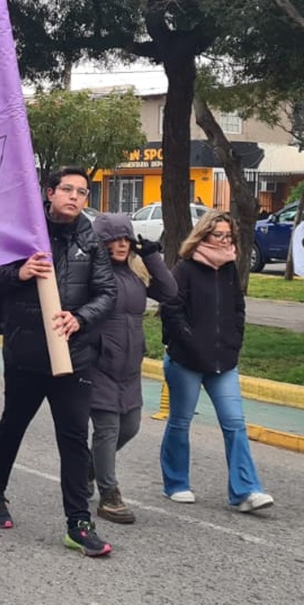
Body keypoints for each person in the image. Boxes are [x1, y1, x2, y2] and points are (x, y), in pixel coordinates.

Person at [0, 167, 116, 557]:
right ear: (49, 193)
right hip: (26, 353)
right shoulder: (23, 233)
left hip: (74, 356)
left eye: (82, 192)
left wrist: (80, 318)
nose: (74, 197)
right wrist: (19, 272)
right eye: (67, 189)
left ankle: (78, 524)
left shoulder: (91, 238)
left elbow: (107, 293)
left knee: (73, 439)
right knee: (12, 426)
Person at [157, 212, 276, 513]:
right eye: (218, 235)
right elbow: (171, 311)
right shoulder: (184, 269)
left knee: (234, 423)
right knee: (180, 422)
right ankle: (176, 483)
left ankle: (246, 490)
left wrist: (235, 339)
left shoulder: (230, 270)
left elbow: (238, 308)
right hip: (186, 361)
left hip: (224, 361)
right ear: (203, 236)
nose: (224, 241)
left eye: (228, 236)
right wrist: (190, 342)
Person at [86, 214, 177, 524]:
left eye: (126, 238)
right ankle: (109, 495)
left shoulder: (136, 272)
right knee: (107, 430)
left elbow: (168, 292)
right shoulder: (92, 273)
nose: (122, 244)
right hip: (98, 363)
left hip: (129, 365)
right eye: (114, 239)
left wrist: (152, 256)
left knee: (131, 427)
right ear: (101, 243)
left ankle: (88, 467)